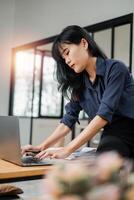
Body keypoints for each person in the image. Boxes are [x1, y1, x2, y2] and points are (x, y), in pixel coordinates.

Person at [22, 25, 134, 159]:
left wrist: (68, 149)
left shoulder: (115, 69)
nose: (67, 61)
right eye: (63, 59)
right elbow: (68, 120)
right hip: (112, 134)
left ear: (84, 43)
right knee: (102, 161)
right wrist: (42, 146)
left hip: (130, 128)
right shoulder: (80, 85)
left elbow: (104, 115)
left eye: (67, 52)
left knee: (105, 161)